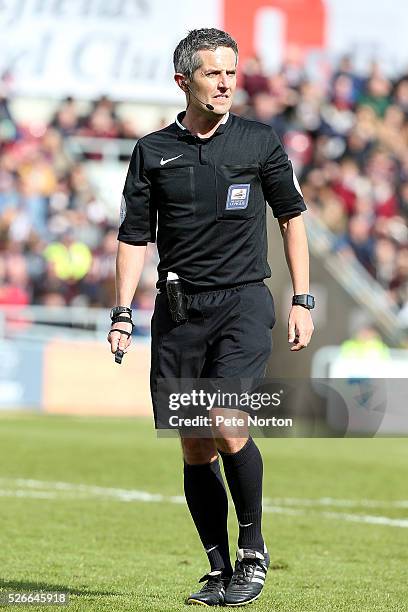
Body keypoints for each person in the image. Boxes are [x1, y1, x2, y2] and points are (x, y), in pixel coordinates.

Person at [107, 28, 315, 607]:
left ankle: (253, 551)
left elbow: (292, 218)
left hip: (244, 303)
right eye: (212, 73)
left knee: (226, 419)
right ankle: (219, 569)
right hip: (178, 311)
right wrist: (123, 312)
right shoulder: (152, 151)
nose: (226, 82)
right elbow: (132, 236)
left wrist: (302, 298)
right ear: (184, 81)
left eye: (231, 71)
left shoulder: (259, 141)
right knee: (195, 445)